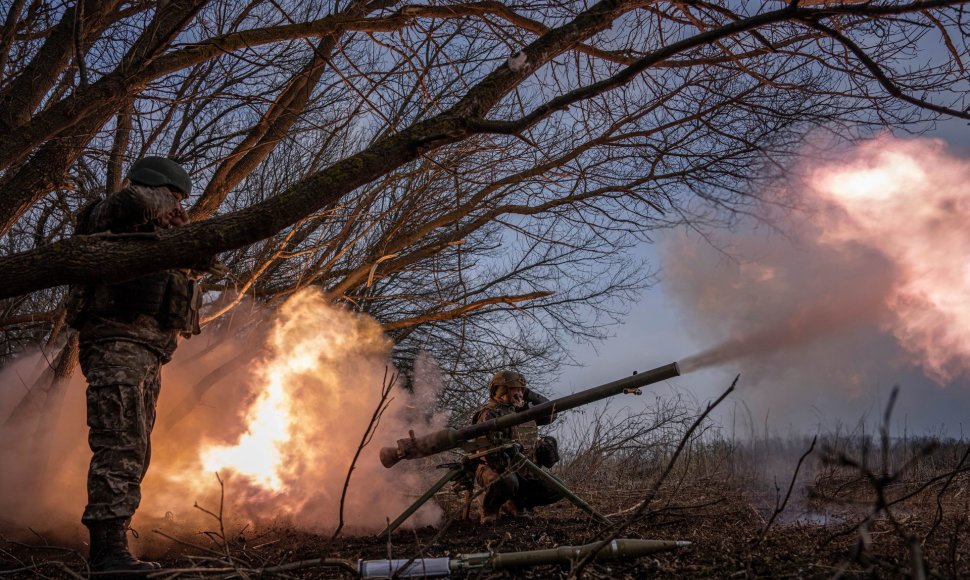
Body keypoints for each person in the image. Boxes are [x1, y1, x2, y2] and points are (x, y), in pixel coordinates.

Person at [68, 156, 210, 573]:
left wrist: (183, 234)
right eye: (174, 197)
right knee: (120, 443)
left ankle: (114, 543)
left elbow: (203, 261)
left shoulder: (161, 236)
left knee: (136, 448)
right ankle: (106, 553)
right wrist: (161, 199)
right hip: (115, 344)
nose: (179, 206)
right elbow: (133, 202)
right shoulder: (106, 214)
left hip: (148, 353)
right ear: (158, 188)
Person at [472, 370, 562, 524]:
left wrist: (528, 393)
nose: (519, 394)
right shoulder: (489, 414)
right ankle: (490, 510)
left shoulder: (523, 410)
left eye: (522, 390)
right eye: (515, 389)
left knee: (557, 487)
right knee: (507, 481)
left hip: (524, 468)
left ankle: (516, 505)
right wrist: (510, 450)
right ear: (500, 390)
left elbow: (551, 413)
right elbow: (492, 458)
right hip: (494, 469)